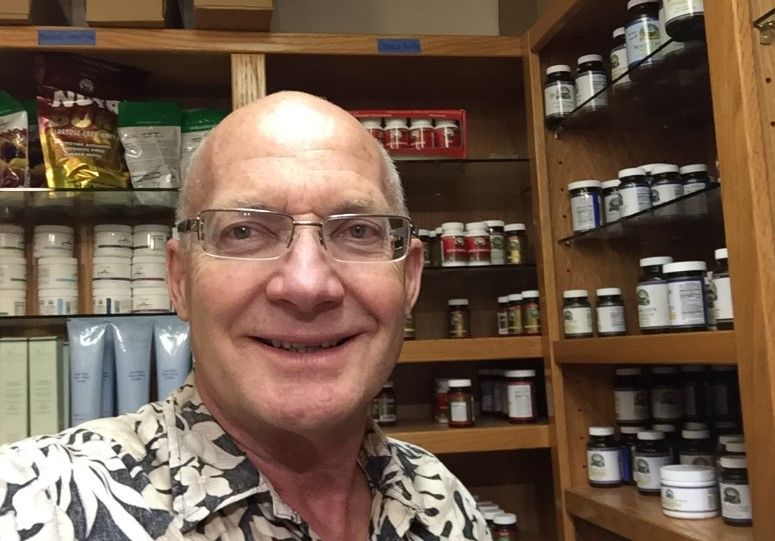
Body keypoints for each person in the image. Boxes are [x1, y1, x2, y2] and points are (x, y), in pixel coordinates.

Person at [0, 92, 490, 540]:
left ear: (409, 278)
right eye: (244, 232)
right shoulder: (36, 504)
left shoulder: (442, 501)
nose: (306, 285)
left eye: (358, 231)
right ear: (179, 280)